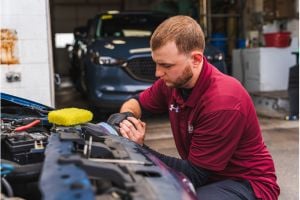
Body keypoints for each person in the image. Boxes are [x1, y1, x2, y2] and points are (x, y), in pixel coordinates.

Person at [107, 15, 279, 200]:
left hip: (247, 183)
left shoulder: (223, 101)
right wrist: (125, 115)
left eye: (166, 65)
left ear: (196, 59)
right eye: (156, 63)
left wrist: (139, 149)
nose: (158, 73)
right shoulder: (172, 82)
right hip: (211, 177)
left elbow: (196, 174)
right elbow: (137, 102)